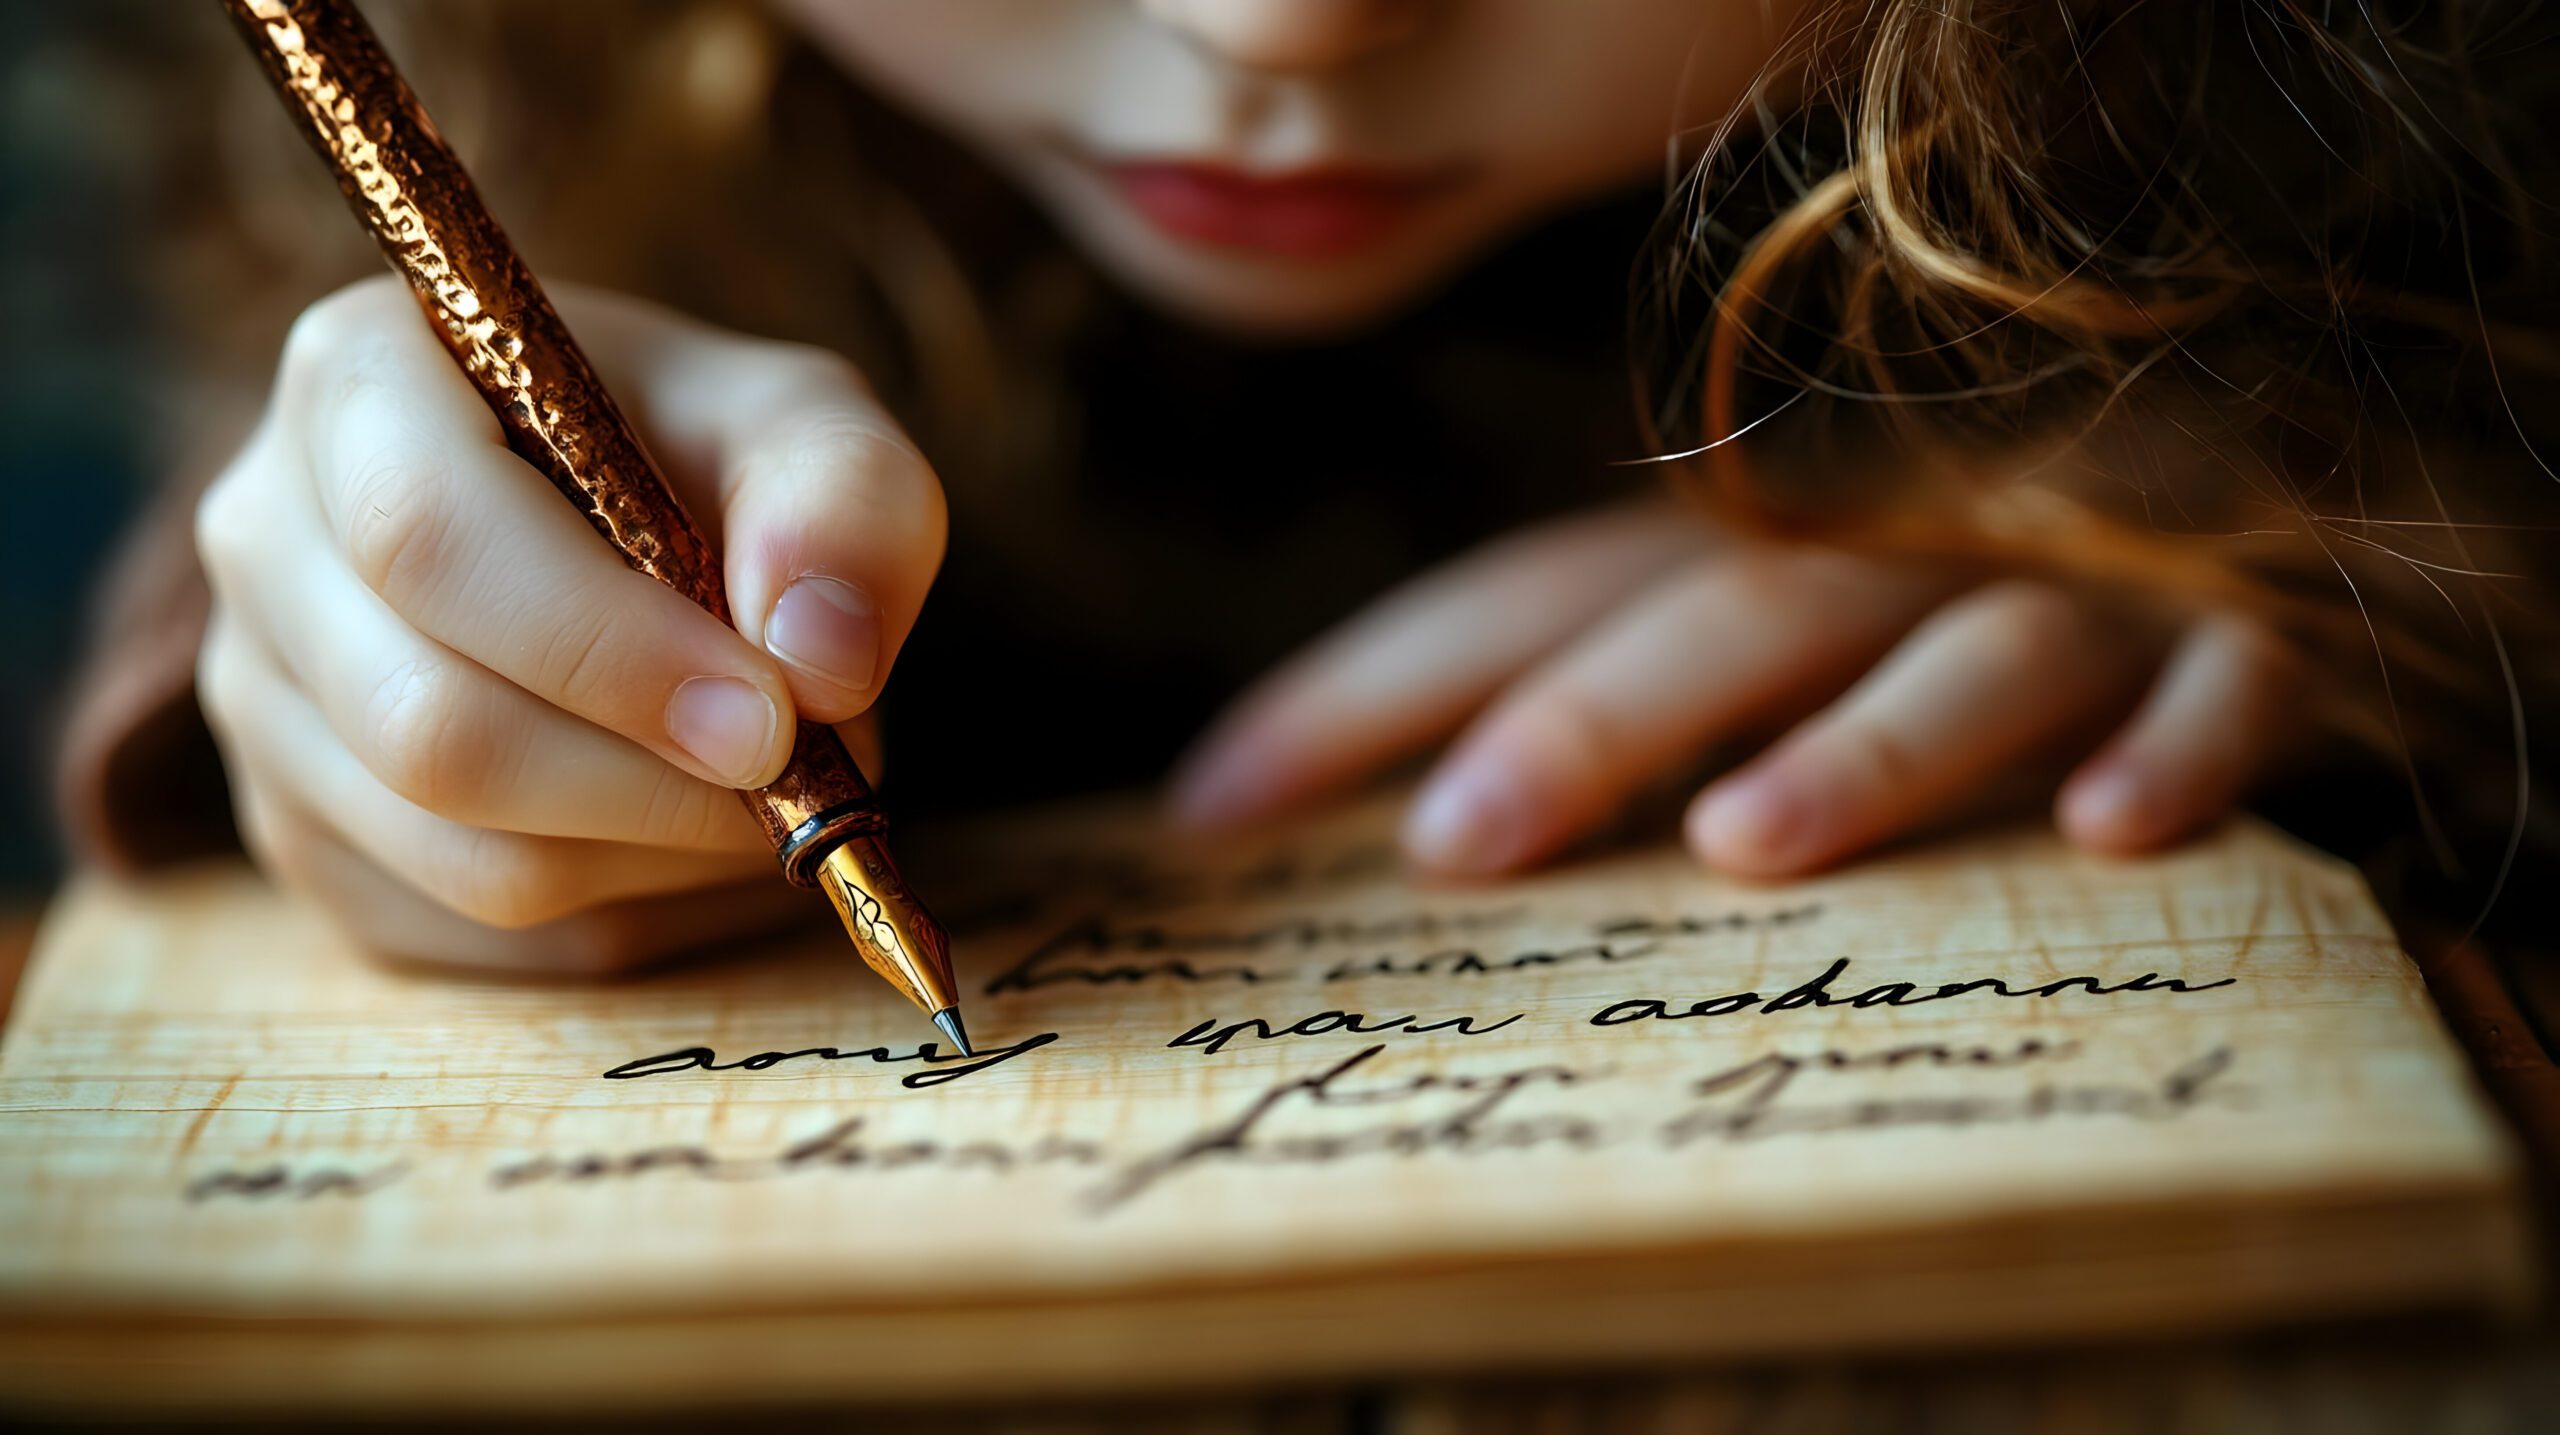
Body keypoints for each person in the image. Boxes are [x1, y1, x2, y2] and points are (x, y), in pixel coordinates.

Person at [58, 0, 2559, 972]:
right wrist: (369, 682)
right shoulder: (545, 76)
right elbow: (293, 574)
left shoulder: (2361, 144)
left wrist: (2372, 564)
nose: (1276, 21)